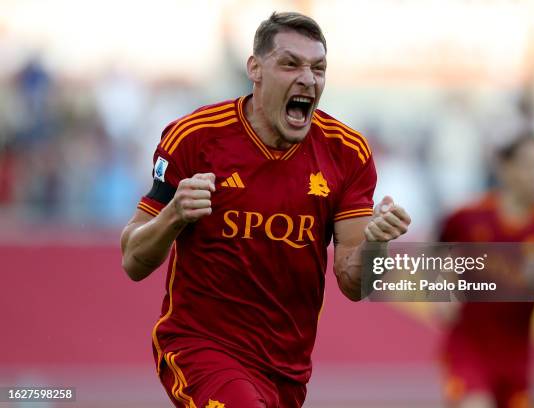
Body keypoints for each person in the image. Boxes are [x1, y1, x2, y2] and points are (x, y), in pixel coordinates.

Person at [120, 12, 410, 408]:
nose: (308, 78)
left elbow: (355, 285)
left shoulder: (347, 152)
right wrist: (174, 215)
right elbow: (132, 260)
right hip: (200, 348)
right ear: (254, 69)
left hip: (287, 369)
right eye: (291, 64)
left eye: (318, 68)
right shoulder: (197, 137)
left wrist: (376, 243)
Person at [437, 132, 534, 408]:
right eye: (528, 164)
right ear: (505, 167)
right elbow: (439, 251)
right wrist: (441, 287)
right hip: (469, 349)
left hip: (517, 359)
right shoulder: (468, 218)